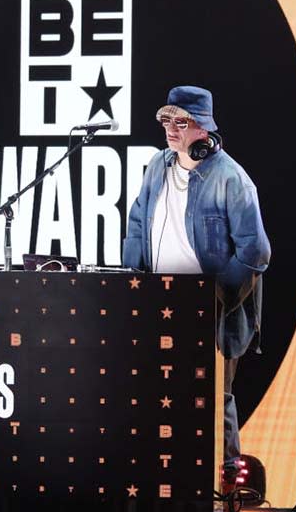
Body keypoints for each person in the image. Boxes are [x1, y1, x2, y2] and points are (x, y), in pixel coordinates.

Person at [122, 85, 270, 492]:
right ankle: (163, 487)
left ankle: (223, 492)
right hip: (158, 304)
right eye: (167, 120)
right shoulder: (156, 166)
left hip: (209, 311)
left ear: (202, 128)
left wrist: (218, 297)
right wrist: (135, 281)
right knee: (154, 397)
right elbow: (138, 222)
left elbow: (256, 251)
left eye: (180, 121)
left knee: (214, 402)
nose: (170, 129)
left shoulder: (231, 179)